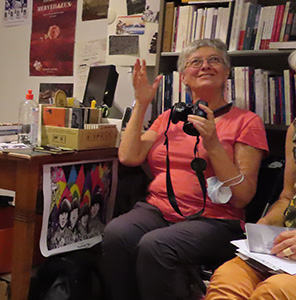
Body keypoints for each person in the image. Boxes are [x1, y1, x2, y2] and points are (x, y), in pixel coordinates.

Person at [102, 39, 268, 300]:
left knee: (155, 245)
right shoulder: (170, 116)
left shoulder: (247, 122)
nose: (205, 66)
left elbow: (244, 195)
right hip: (159, 210)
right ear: (183, 78)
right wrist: (141, 103)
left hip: (216, 220)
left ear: (226, 73)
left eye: (214, 60)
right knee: (117, 233)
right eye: (195, 62)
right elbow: (129, 156)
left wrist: (213, 144)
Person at [203, 52, 296, 300]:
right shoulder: (295, 129)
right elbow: (288, 197)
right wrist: (265, 227)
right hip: (286, 249)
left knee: (274, 291)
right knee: (226, 279)